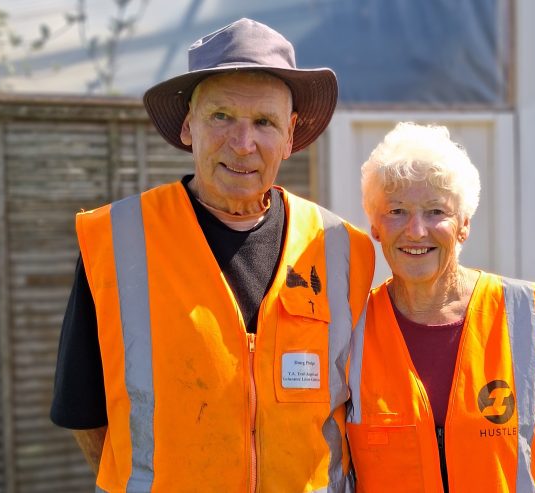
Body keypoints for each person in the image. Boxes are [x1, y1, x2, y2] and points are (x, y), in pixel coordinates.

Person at [50, 18, 375, 492]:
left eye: (264, 122)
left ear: (290, 136)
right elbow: (85, 413)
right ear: (188, 127)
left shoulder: (345, 250)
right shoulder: (116, 242)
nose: (242, 144)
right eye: (221, 116)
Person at [346, 122, 535, 492]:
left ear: (464, 225)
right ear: (374, 226)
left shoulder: (528, 314)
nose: (417, 230)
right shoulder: (350, 329)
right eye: (396, 211)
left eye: (436, 211)